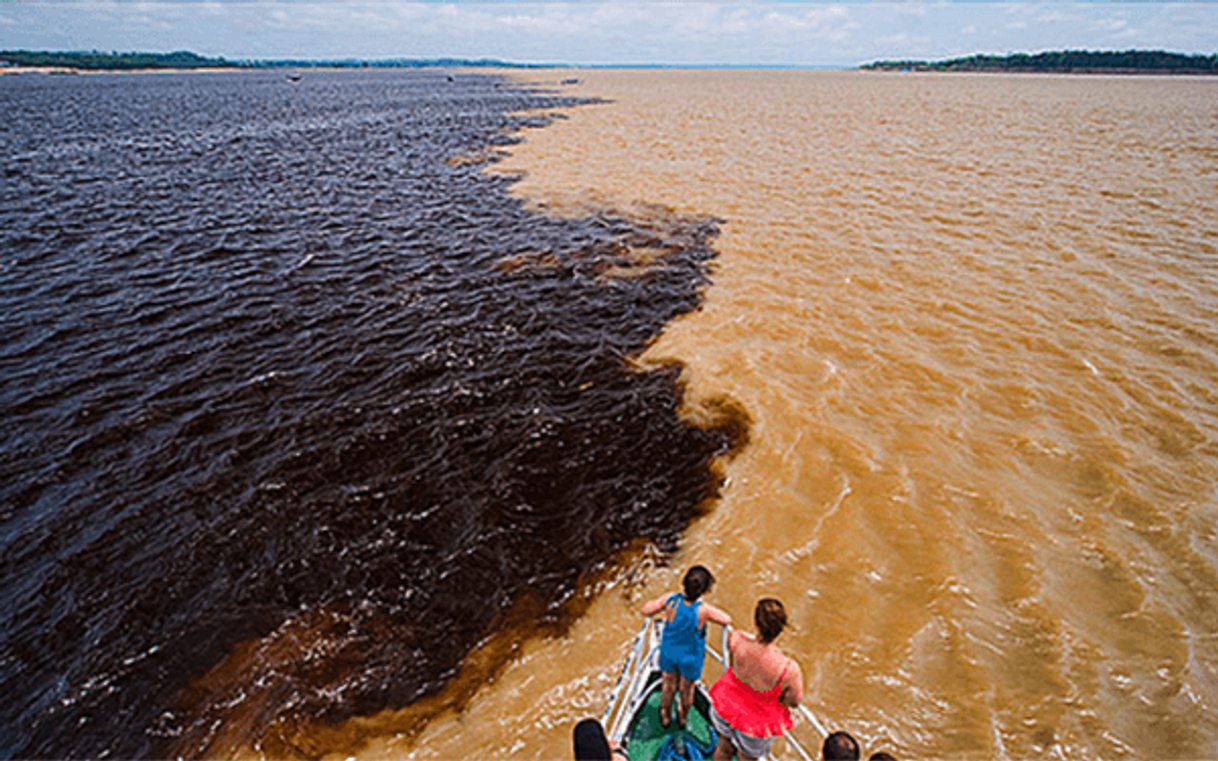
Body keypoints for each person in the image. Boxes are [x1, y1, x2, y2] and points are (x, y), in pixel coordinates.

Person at [708, 598, 803, 761]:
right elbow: (794, 701)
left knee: (723, 746)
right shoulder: (789, 670)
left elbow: (733, 667)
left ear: (755, 623)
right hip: (756, 725)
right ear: (781, 629)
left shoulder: (736, 639)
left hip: (727, 705)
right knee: (747, 758)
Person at [640, 565, 733, 728]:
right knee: (686, 691)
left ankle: (665, 715)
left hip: (669, 653)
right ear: (705, 591)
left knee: (668, 686)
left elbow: (646, 609)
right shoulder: (703, 611)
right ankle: (683, 717)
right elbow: (726, 619)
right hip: (690, 658)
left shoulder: (671, 600)